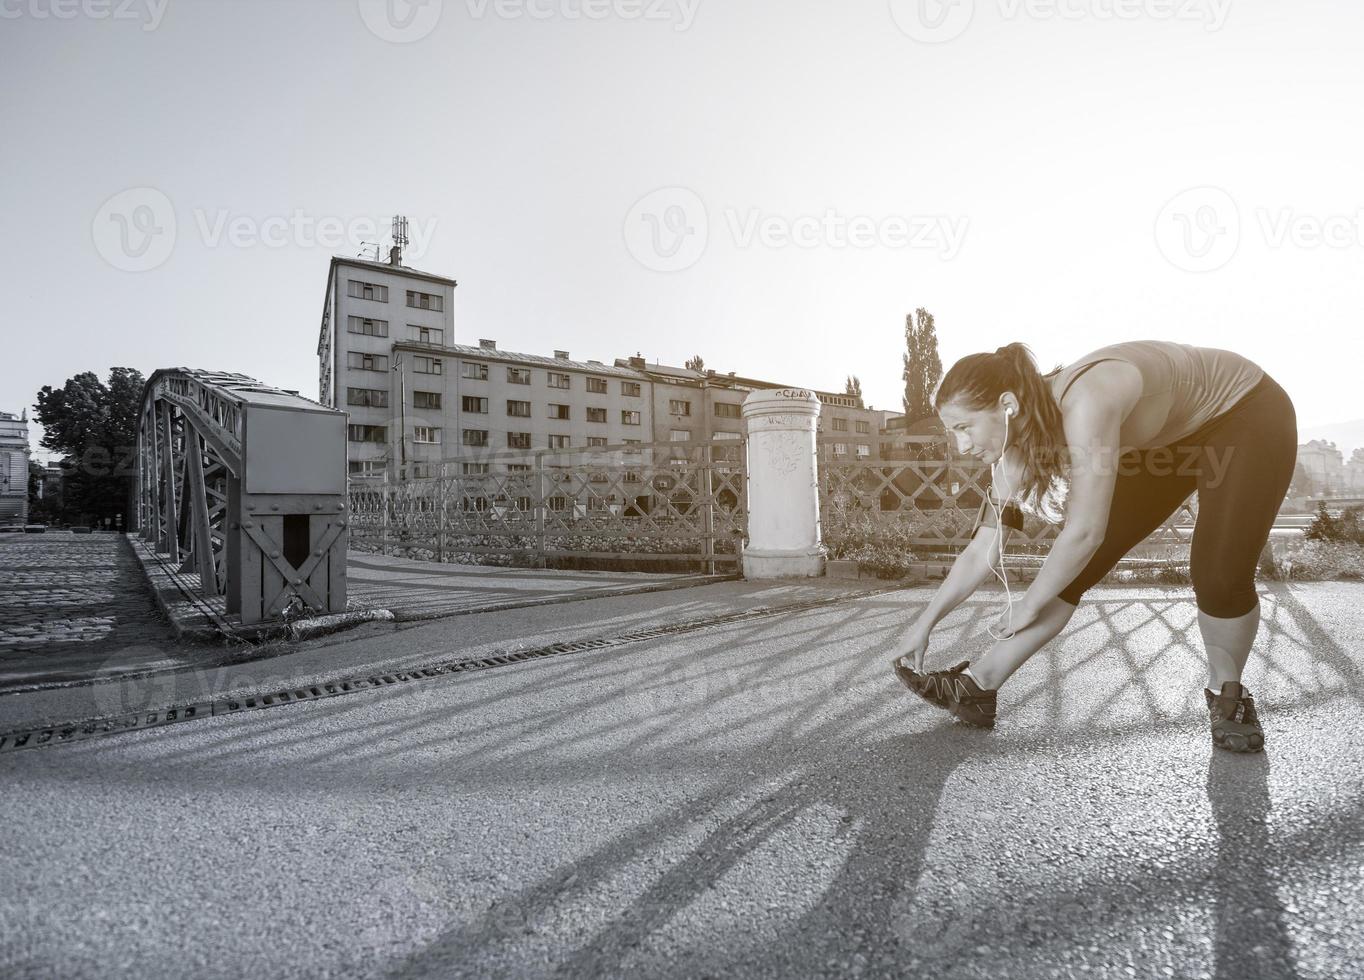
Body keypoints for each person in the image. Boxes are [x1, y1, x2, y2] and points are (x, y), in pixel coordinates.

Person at [889, 340, 1297, 753]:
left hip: (1243, 414)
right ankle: (975, 687)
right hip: (1165, 442)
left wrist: (1028, 604)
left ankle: (1228, 696)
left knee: (1218, 574)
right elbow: (982, 551)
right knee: (1067, 571)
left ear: (1007, 405)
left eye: (965, 427)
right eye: (951, 432)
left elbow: (1085, 532)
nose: (961, 447)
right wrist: (925, 624)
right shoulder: (1012, 452)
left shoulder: (1086, 400)